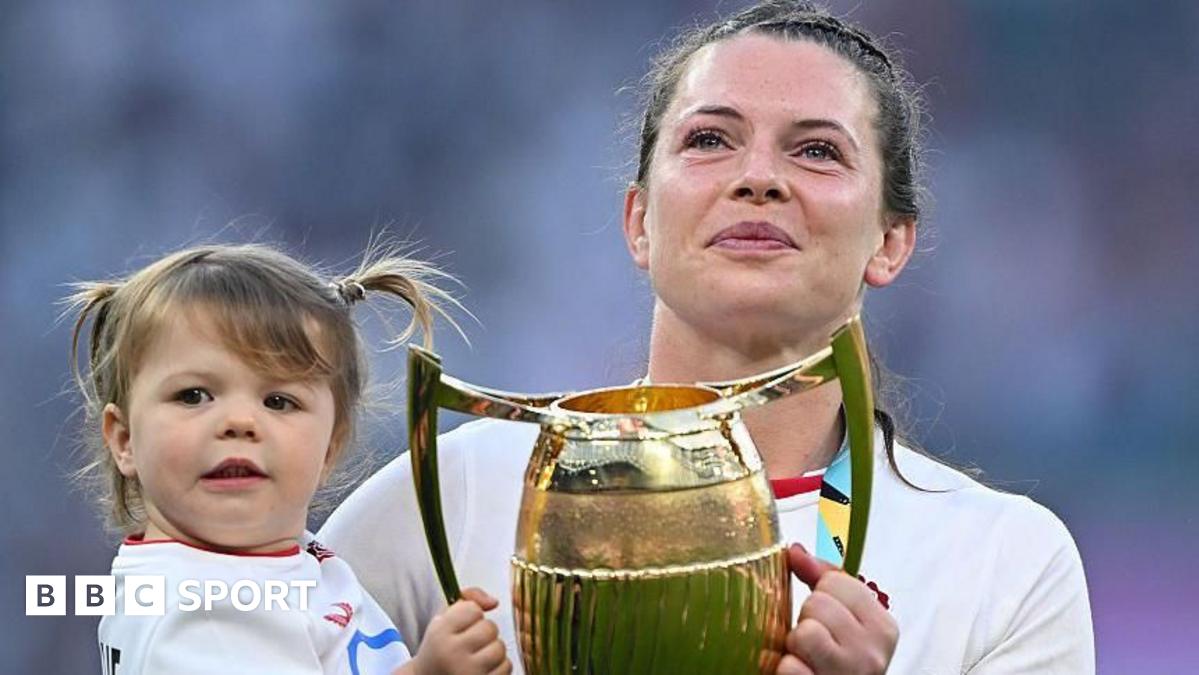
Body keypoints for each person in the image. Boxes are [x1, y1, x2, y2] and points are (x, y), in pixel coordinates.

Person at [320, 2, 1094, 673]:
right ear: (639, 222)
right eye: (710, 140)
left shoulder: (1003, 564)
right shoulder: (453, 494)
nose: (758, 177)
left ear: (890, 242)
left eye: (816, 150)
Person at [67, 243, 512, 675]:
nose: (240, 422)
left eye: (278, 401)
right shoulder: (201, 618)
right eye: (194, 395)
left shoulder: (264, 565)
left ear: (330, 447)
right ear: (124, 440)